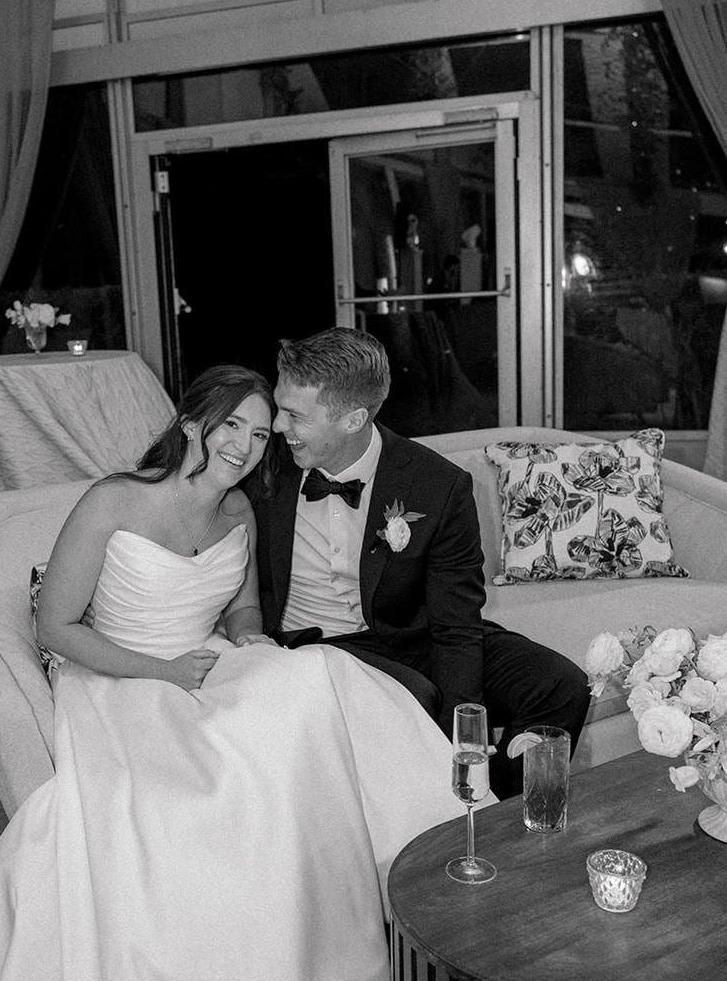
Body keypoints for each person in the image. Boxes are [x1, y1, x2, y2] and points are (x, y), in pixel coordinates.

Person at [0, 365, 469, 981]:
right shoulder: (113, 500)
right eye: (234, 427)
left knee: (315, 688)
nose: (246, 448)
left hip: (202, 666)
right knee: (196, 798)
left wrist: (251, 650)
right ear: (192, 420)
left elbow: (244, 613)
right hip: (117, 681)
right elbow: (55, 627)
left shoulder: (240, 512)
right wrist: (164, 672)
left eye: (260, 436)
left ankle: (424, 902)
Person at [248, 326, 591, 798]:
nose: (279, 426)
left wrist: (464, 726)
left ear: (353, 419)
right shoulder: (261, 463)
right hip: (323, 648)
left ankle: (504, 817)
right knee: (418, 699)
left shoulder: (437, 484)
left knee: (560, 685)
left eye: (294, 415)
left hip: (416, 633)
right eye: (279, 407)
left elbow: (456, 621)